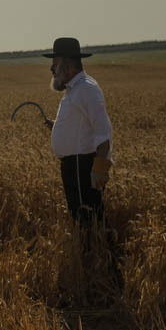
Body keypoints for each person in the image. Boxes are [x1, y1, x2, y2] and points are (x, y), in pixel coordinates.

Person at [43, 37, 113, 227]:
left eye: (55, 64)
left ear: (68, 65)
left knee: (88, 219)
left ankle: (99, 254)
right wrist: (58, 126)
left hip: (82, 166)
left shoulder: (87, 89)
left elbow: (103, 130)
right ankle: (90, 253)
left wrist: (99, 168)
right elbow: (82, 124)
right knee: (80, 217)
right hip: (73, 165)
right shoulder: (74, 89)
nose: (51, 69)